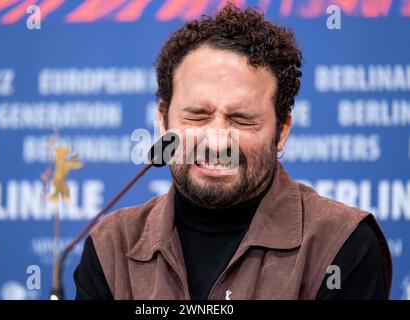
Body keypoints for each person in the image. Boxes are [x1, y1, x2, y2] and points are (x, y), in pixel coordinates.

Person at [74, 3, 392, 300]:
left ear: (282, 131)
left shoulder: (342, 243)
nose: (216, 142)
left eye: (241, 120)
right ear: (163, 120)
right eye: (197, 115)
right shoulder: (111, 246)